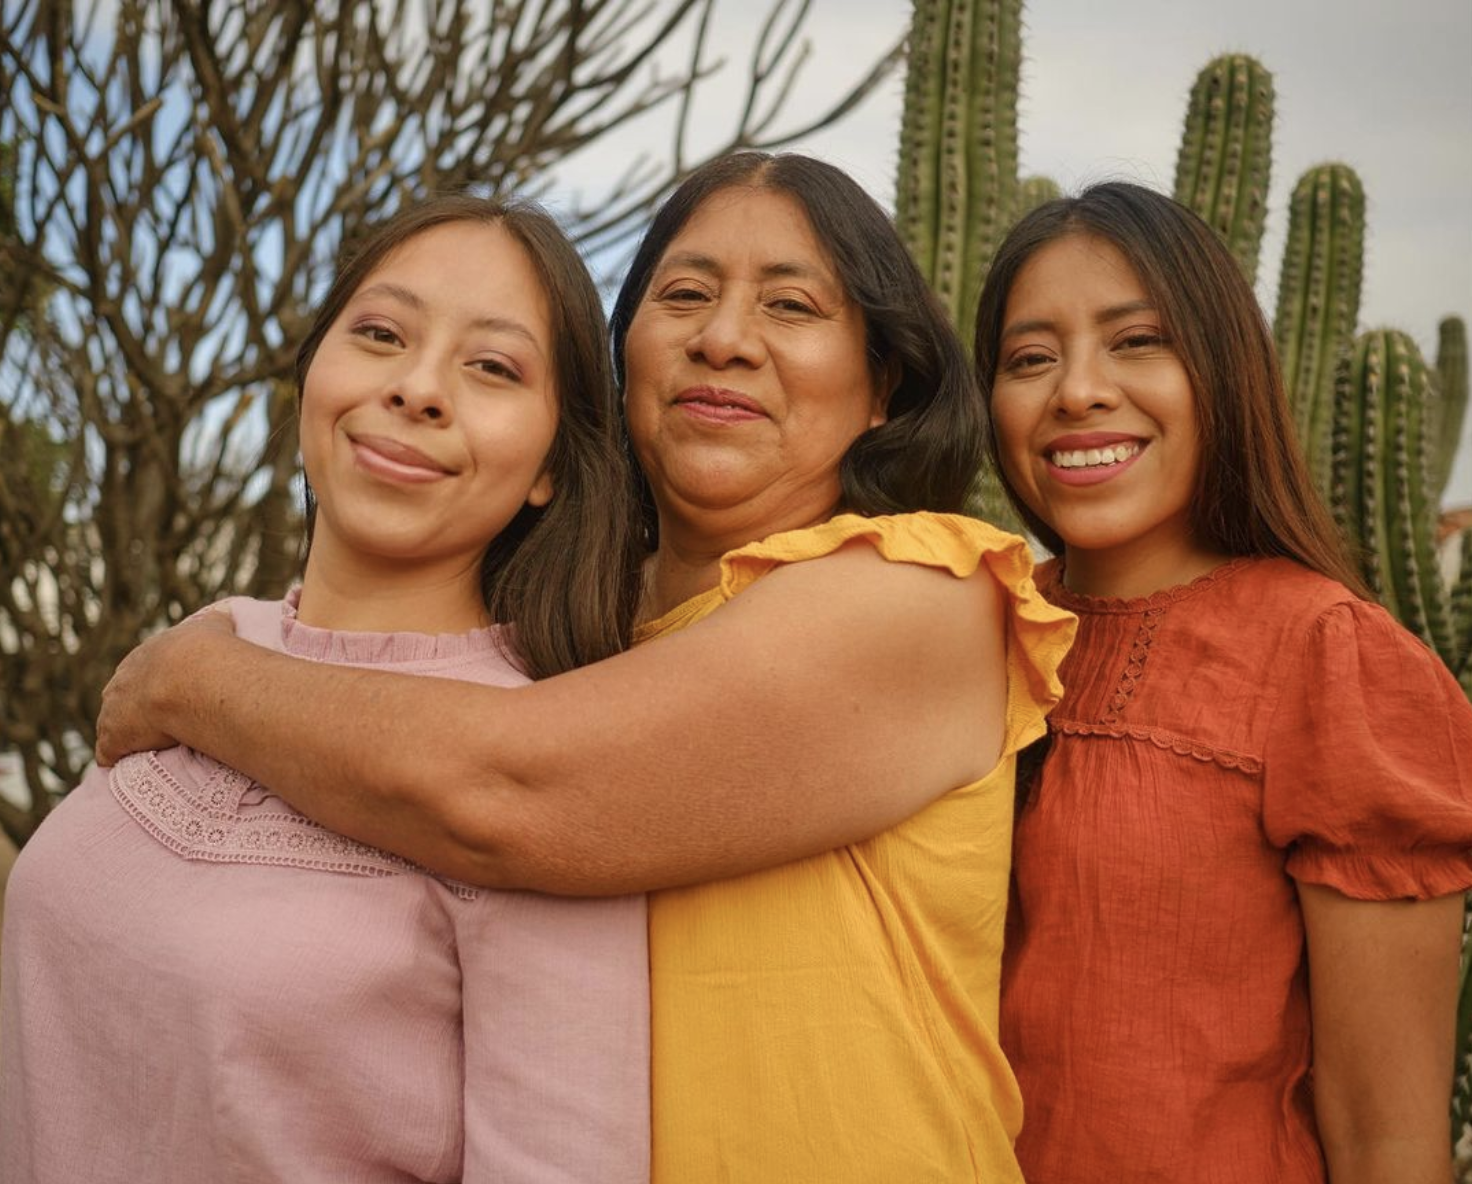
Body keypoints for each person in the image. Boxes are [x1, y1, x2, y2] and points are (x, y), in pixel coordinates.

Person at [93, 151, 1077, 1182]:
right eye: (683, 294)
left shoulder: (922, 590)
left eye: (791, 306)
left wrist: (186, 679)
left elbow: (511, 788)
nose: (722, 338)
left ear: (883, 386)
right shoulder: (572, 634)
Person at [0, 195, 651, 1183]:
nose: (418, 388)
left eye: (492, 366)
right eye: (380, 332)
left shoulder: (543, 761)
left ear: (548, 469)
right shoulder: (195, 656)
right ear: (314, 373)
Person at [974, 179, 1472, 1184]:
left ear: (1223, 370)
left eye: (1135, 341)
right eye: (1029, 357)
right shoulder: (968, 627)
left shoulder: (1333, 660)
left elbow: (1387, 1136)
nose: (1075, 389)